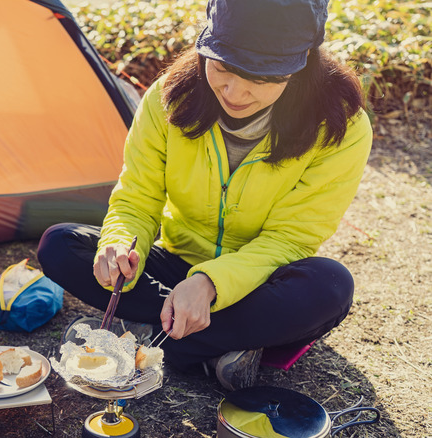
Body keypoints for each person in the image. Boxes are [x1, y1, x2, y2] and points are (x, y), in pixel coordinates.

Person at [37, 0, 372, 391]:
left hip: (257, 282)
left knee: (330, 286)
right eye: (222, 67)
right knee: (60, 245)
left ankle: (165, 343)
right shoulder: (169, 98)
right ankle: (215, 344)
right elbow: (136, 198)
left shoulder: (339, 127)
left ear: (301, 66)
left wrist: (210, 284)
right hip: (174, 265)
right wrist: (117, 246)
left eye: (261, 79)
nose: (234, 92)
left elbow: (290, 238)